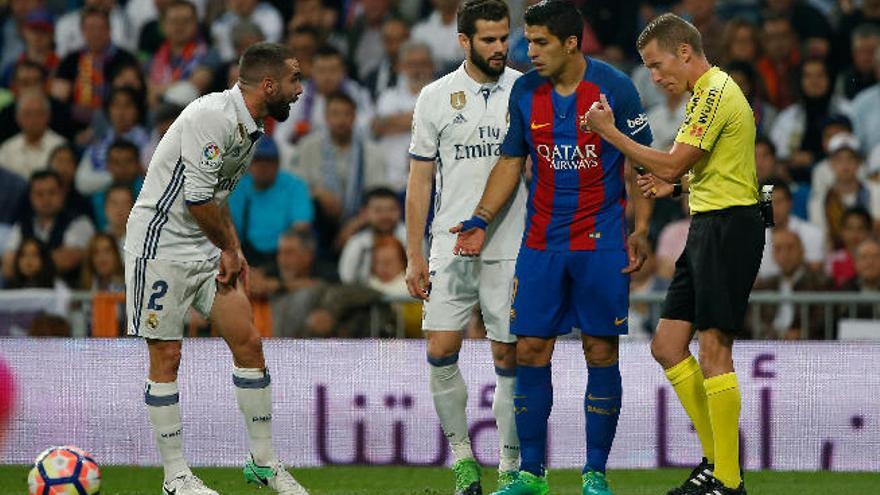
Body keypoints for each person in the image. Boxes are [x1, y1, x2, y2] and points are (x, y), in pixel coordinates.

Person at [453, 1, 653, 494]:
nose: (528, 51)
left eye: (540, 42)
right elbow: (509, 162)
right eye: (529, 41)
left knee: (600, 348)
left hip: (600, 239)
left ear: (570, 43)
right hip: (541, 240)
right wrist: (480, 218)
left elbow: (642, 164)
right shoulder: (524, 91)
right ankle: (531, 474)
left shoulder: (616, 89)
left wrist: (642, 229)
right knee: (530, 348)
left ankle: (594, 474)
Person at [585, 13, 764, 495]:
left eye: (657, 64)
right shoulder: (703, 96)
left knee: (713, 350)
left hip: (729, 226)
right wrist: (676, 183)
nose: (656, 75)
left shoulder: (713, 91)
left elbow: (676, 157)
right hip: (708, 222)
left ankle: (727, 480)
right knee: (666, 345)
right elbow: (705, 164)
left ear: (684, 52)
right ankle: (718, 463)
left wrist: (611, 133)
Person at [123, 42, 308, 495]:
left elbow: (216, 196)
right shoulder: (214, 117)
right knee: (167, 355)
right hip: (160, 245)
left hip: (205, 246)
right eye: (293, 80)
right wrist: (227, 246)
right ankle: (176, 477)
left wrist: (233, 248)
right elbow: (197, 199)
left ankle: (263, 462)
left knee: (247, 341)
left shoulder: (251, 126)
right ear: (269, 85)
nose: (299, 90)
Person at [405, 0, 526, 493]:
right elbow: (419, 180)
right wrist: (414, 252)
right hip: (450, 244)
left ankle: (512, 466)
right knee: (441, 347)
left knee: (508, 355)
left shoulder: (526, 90)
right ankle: (462, 460)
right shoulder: (435, 97)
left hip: (513, 243)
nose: (500, 48)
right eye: (489, 39)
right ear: (464, 42)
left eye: (504, 38)